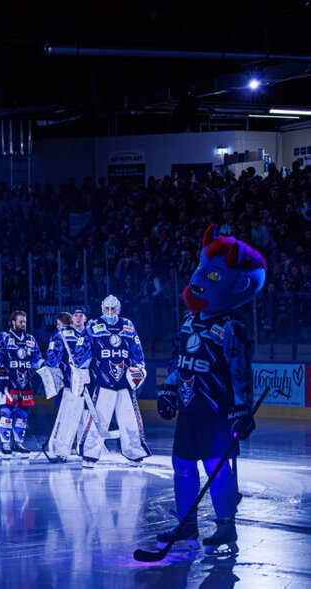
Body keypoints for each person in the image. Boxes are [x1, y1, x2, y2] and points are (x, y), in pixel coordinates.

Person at [155, 225, 266, 555]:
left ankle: (225, 526)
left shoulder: (232, 327)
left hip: (217, 411)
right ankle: (186, 522)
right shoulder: (190, 322)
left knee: (218, 467)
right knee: (182, 465)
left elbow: (239, 371)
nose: (199, 279)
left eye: (213, 277)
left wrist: (242, 408)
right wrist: (168, 391)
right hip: (189, 409)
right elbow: (179, 360)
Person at [76, 295, 149, 467]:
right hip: (102, 381)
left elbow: (136, 350)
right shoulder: (93, 325)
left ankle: (134, 452)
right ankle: (89, 454)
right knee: (97, 420)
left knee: (129, 419)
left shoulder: (128, 325)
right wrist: (80, 368)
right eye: (107, 309)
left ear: (119, 308)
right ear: (102, 308)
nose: (110, 312)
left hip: (125, 382)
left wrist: (139, 367)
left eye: (113, 309)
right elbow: (82, 350)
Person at [0, 311, 41, 458]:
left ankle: (18, 443)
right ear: (13, 322)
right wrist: (0, 374)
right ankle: (5, 444)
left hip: (25, 383)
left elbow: (37, 361)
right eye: (20, 321)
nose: (23, 324)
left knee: (23, 414)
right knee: (7, 413)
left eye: (24, 321)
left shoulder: (30, 339)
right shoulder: (4, 337)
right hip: (8, 382)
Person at [44, 309, 91, 461]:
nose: (78, 318)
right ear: (72, 319)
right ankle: (62, 450)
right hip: (69, 384)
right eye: (75, 315)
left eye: (81, 315)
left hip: (88, 383)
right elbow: (51, 359)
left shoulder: (91, 334)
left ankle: (83, 448)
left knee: (85, 416)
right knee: (67, 417)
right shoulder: (63, 333)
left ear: (85, 318)